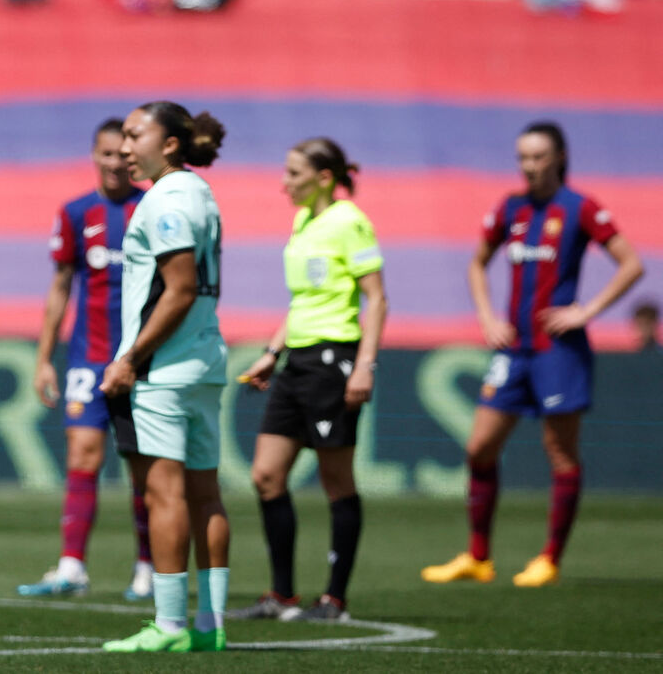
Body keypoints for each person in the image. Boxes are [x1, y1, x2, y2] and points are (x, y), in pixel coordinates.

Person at [421, 121, 643, 588]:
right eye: (523, 157)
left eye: (538, 157)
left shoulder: (580, 208)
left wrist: (587, 311)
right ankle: (478, 556)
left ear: (559, 158)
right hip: (514, 349)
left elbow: (632, 264)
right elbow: (478, 264)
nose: (529, 166)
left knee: (559, 451)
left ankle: (549, 558)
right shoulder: (511, 207)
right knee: (479, 447)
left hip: (558, 350)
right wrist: (486, 317)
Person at [227, 138, 387, 624]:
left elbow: (376, 298)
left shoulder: (350, 221)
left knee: (336, 480)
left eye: (293, 173)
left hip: (332, 361)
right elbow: (301, 302)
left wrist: (364, 364)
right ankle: (281, 595)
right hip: (295, 361)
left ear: (322, 177)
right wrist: (272, 353)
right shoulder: (303, 221)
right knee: (266, 476)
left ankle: (334, 600)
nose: (284, 182)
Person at [98, 101, 230, 654]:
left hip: (164, 369)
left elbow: (177, 289)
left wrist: (130, 359)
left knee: (165, 493)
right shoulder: (200, 193)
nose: (126, 148)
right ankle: (211, 625)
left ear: (169, 143)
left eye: (135, 135)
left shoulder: (166, 201)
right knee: (205, 493)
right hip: (203, 362)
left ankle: (171, 624)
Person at [18, 119, 154, 601]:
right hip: (87, 358)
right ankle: (72, 567)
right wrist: (44, 359)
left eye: (123, 154)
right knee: (82, 455)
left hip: (141, 360)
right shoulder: (77, 212)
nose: (115, 162)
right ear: (94, 155)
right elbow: (59, 289)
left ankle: (148, 567)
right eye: (106, 153)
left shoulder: (152, 208)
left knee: (141, 466)